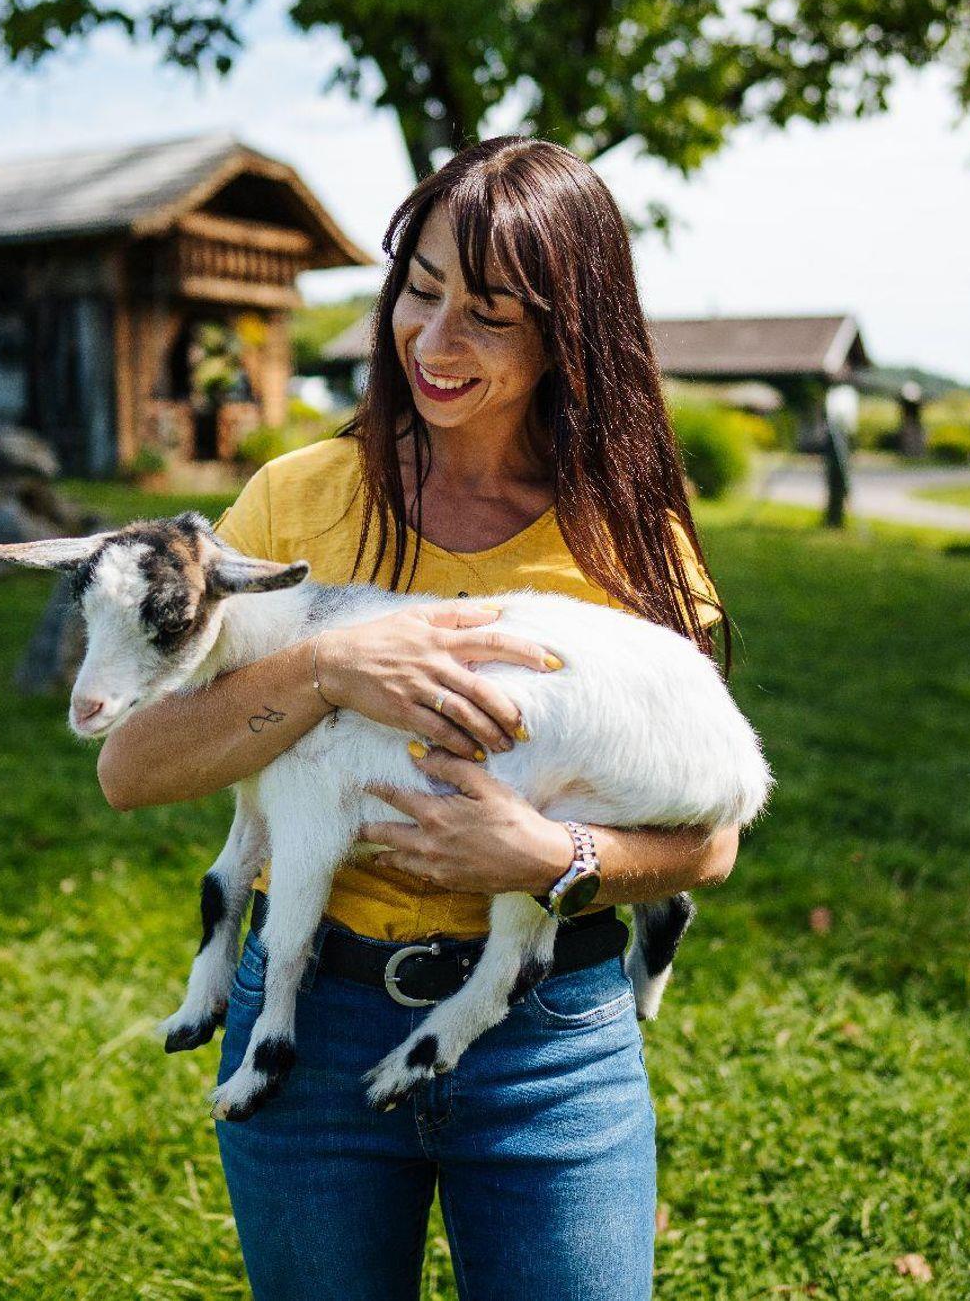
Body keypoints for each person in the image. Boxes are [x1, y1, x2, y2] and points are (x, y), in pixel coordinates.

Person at [95, 136, 749, 1300]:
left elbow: (708, 839)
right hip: (311, 1025)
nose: (434, 341)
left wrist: (554, 856)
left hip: (549, 1035)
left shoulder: (628, 535)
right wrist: (327, 667)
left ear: (567, 333)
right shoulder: (298, 499)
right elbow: (133, 767)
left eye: (490, 316)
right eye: (420, 289)